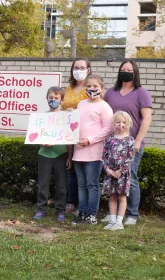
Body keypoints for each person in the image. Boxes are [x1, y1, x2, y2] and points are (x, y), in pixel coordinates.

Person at [103, 59, 152, 226]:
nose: (125, 71)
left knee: (130, 178)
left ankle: (132, 214)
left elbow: (146, 119)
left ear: (135, 72)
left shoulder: (141, 93)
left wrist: (137, 141)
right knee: (112, 179)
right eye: (123, 69)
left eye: (129, 69)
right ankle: (112, 215)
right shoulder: (111, 92)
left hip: (131, 146)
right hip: (113, 145)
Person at [72, 74, 113, 225]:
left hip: (94, 152)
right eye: (89, 86)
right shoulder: (81, 104)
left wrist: (89, 140)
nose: (91, 89)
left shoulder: (104, 106)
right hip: (78, 151)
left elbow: (108, 129)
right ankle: (82, 212)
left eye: (95, 86)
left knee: (92, 184)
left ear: (101, 88)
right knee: (81, 184)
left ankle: (91, 214)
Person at [33, 86, 72, 222]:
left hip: (61, 154)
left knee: (61, 185)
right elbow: (37, 136)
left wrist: (70, 157)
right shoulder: (42, 117)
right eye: (51, 98)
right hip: (44, 154)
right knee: (43, 184)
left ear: (62, 100)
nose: (53, 100)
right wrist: (42, 143)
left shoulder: (66, 116)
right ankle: (41, 209)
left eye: (56, 98)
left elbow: (69, 138)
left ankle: (60, 210)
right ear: (47, 98)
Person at [61, 58, 92, 215]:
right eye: (76, 67)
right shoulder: (68, 89)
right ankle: (70, 202)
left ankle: (83, 205)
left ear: (88, 70)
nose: (78, 70)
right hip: (68, 134)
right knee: (71, 169)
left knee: (85, 173)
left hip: (85, 136)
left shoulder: (92, 88)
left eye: (82, 67)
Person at [102, 111, 135, 231]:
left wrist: (121, 171)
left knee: (122, 197)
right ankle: (112, 220)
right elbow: (104, 156)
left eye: (124, 122)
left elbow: (130, 158)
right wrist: (107, 169)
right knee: (112, 197)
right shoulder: (109, 140)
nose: (121, 124)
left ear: (128, 124)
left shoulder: (130, 140)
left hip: (122, 175)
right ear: (113, 123)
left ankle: (119, 222)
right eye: (118, 122)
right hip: (110, 174)